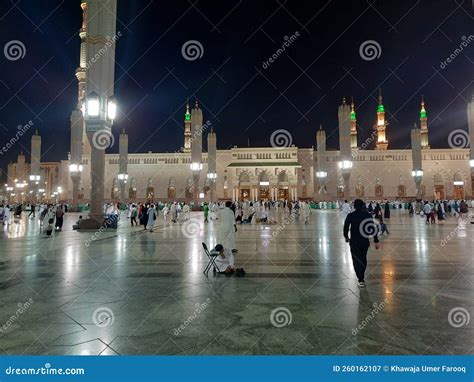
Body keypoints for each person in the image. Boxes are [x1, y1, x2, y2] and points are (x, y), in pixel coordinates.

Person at [343, 199, 380, 288]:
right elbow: (372, 228)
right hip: (364, 241)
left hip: (354, 242)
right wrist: (376, 241)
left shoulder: (351, 215)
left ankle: (360, 278)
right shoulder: (367, 215)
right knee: (363, 259)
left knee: (356, 260)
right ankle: (362, 276)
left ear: (354, 206)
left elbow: (346, 228)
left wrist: (346, 237)